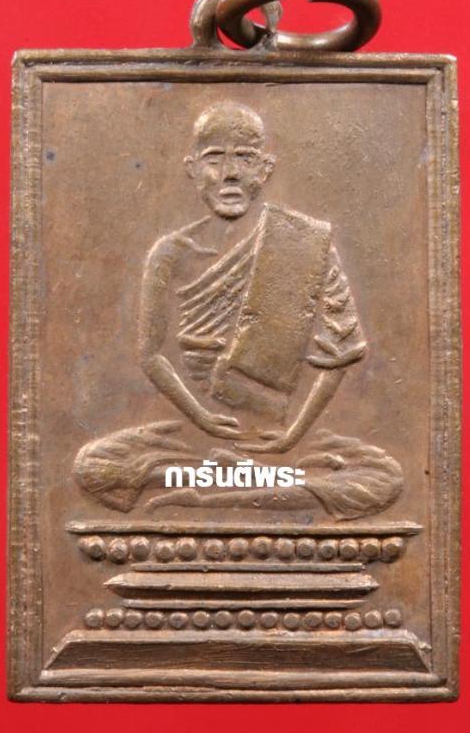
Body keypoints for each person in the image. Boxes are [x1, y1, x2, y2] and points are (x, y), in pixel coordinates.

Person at [75, 102, 403, 518]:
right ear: (192, 168)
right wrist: (203, 419)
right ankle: (259, 485)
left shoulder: (305, 242)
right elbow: (151, 355)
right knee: (95, 468)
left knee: (383, 479)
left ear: (265, 169)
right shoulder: (171, 253)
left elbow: (339, 354)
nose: (229, 173)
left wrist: (291, 436)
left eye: (245, 158)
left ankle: (212, 491)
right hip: (196, 432)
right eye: (215, 158)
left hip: (282, 439)